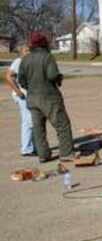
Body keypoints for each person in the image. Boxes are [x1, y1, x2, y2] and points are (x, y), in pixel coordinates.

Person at [17, 32, 74, 162]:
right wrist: (59, 78)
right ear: (44, 44)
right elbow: (52, 75)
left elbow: (21, 80)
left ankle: (43, 155)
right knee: (62, 125)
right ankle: (66, 153)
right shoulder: (47, 57)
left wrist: (30, 89)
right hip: (49, 98)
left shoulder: (25, 59)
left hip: (32, 99)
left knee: (38, 128)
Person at [5, 46, 35, 156]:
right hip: (22, 95)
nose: (28, 52)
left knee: (32, 120)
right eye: (26, 51)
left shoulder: (29, 62)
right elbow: (8, 76)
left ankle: (33, 147)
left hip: (29, 95)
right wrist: (17, 91)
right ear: (21, 53)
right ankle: (26, 149)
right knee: (28, 121)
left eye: (29, 50)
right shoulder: (18, 61)